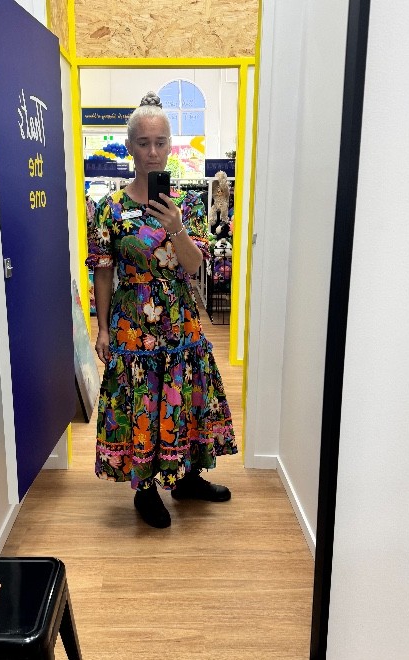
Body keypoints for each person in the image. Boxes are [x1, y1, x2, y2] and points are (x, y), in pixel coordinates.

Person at [86, 91, 237, 528]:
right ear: (130, 147)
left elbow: (192, 266)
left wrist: (176, 230)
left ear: (170, 146)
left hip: (180, 321)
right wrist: (102, 329)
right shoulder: (110, 209)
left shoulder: (185, 206)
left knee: (183, 397)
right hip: (134, 325)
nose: (152, 152)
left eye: (160, 142)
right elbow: (103, 272)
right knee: (143, 402)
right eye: (143, 143)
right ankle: (146, 488)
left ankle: (187, 478)